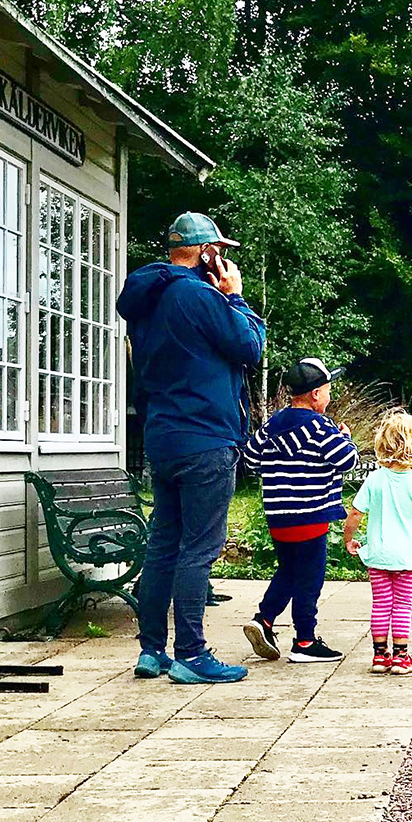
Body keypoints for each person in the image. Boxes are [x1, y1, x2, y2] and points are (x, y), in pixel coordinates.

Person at [117, 212, 265, 684]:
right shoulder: (200, 295)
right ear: (208, 253)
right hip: (205, 438)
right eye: (218, 251)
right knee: (199, 547)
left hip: (162, 436)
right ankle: (193, 654)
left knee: (163, 545)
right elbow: (250, 346)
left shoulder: (147, 299)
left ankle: (152, 651)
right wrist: (236, 297)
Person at [241, 358, 357, 664]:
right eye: (329, 390)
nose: (330, 396)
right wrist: (345, 437)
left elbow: (251, 459)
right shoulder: (321, 427)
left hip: (279, 516)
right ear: (316, 394)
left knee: (289, 570)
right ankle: (305, 640)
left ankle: (264, 620)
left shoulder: (272, 424)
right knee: (310, 578)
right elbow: (347, 461)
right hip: (310, 514)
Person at [342, 411, 412, 676]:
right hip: (408, 558)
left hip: (377, 555)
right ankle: (401, 657)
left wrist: (349, 538)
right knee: (402, 605)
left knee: (380, 603)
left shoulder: (374, 479)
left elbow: (355, 513)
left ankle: (379, 656)